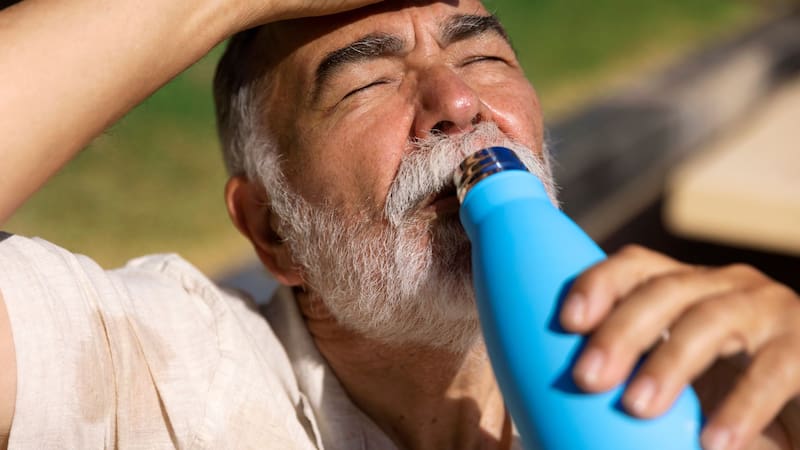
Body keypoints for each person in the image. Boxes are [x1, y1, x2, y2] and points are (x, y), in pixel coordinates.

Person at [0, 0, 798, 449]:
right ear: (271, 229)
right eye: (366, 84)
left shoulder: (699, 384)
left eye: (483, 58)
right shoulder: (157, 375)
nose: (456, 104)